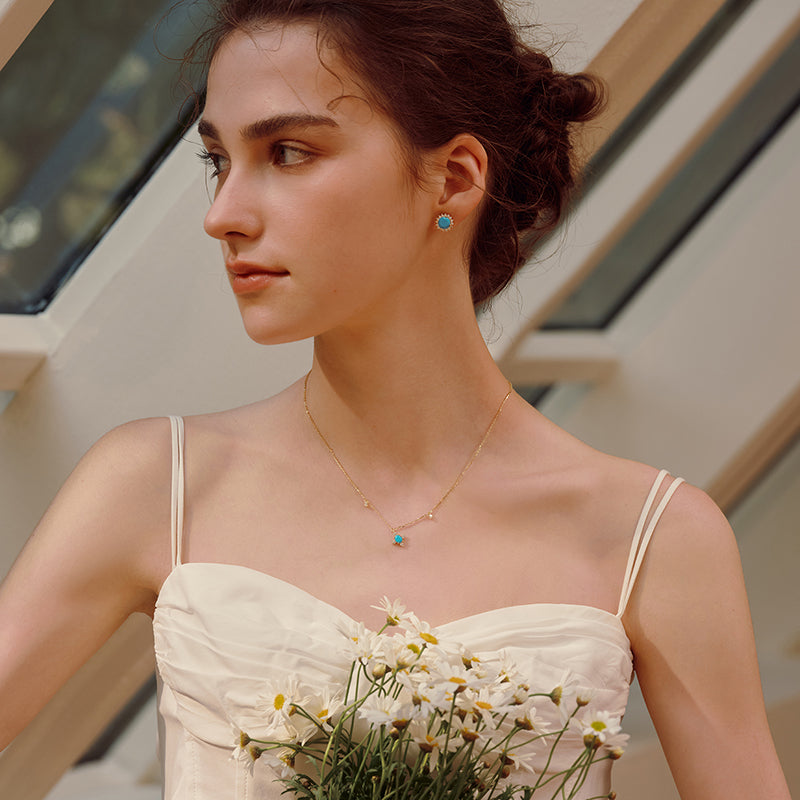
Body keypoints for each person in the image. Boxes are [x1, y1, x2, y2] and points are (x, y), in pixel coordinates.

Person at [0, 1, 791, 798]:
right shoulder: (157, 484)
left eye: (288, 152)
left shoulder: (655, 539)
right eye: (219, 161)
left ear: (455, 177)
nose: (222, 216)